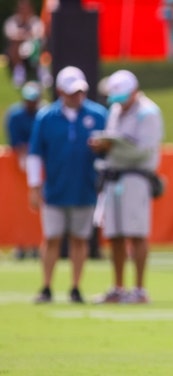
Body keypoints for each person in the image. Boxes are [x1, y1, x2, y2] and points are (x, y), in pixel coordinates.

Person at [27, 66, 108, 303]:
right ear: (61, 91)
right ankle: (47, 286)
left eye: (80, 91)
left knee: (79, 238)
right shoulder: (46, 117)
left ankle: (75, 286)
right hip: (55, 188)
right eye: (72, 91)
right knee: (51, 237)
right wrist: (34, 186)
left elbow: (110, 150)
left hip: (85, 187)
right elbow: (35, 153)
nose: (77, 96)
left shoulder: (98, 114)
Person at [89, 70, 164, 304]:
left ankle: (140, 289)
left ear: (134, 92)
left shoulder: (148, 113)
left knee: (137, 233)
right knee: (115, 234)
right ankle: (118, 287)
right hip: (114, 177)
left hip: (137, 177)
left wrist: (112, 145)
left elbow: (144, 150)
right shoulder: (115, 109)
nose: (119, 104)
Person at [4, 80, 44, 259]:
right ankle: (21, 244)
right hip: (19, 166)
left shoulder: (44, 115)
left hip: (42, 167)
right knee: (20, 207)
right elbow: (16, 143)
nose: (31, 103)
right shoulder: (15, 115)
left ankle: (37, 243)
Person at [3, 0, 46, 88]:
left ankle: (40, 71)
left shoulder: (35, 21)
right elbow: (11, 36)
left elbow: (39, 35)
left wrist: (23, 36)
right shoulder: (12, 21)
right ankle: (19, 71)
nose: (24, 11)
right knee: (15, 44)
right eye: (22, 9)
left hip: (33, 49)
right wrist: (26, 36)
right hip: (17, 51)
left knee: (37, 43)